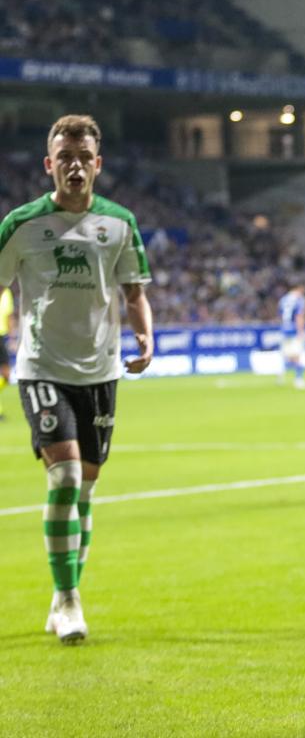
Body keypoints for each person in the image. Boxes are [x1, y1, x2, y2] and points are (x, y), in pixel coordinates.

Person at [0, 114, 154, 644]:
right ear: (49, 165)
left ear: (98, 164)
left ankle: (64, 589)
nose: (74, 165)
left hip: (101, 372)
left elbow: (135, 292)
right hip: (41, 368)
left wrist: (146, 337)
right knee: (64, 478)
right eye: (64, 157)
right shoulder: (21, 225)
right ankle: (68, 600)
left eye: (83, 157)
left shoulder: (119, 223)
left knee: (85, 487)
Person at [278, 282, 305, 389]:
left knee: (288, 355)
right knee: (297, 355)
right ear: (300, 288)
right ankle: (299, 379)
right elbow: (299, 316)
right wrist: (301, 332)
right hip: (294, 329)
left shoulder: (283, 299)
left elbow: (281, 315)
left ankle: (281, 372)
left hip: (284, 329)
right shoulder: (300, 300)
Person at [0, 284, 13, 420]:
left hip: (1, 337)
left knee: (6, 376)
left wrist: (11, 337)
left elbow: (9, 316)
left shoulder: (6, 292)